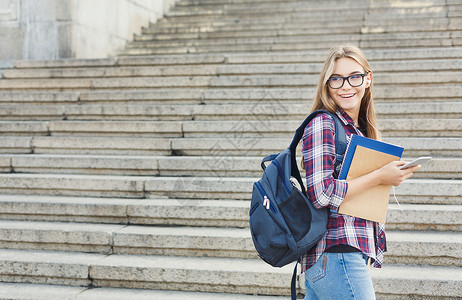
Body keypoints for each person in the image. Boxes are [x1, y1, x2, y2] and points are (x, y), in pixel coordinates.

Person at [300, 45, 420, 299]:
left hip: (337, 255)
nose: (346, 86)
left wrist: (388, 177)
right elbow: (321, 194)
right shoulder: (323, 123)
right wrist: (378, 177)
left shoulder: (357, 130)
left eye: (354, 76)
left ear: (368, 79)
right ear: (327, 84)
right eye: (336, 78)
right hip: (336, 253)